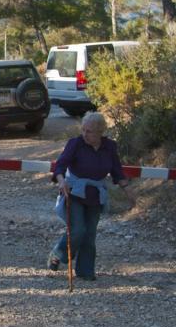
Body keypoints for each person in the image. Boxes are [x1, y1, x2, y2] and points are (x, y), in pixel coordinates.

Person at [47, 112, 135, 281]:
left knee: (90, 234)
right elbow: (61, 165)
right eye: (83, 130)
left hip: (95, 195)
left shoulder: (109, 147)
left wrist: (127, 189)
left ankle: (85, 270)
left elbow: (116, 170)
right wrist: (61, 181)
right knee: (78, 229)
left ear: (100, 132)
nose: (85, 134)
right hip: (74, 192)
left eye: (89, 131)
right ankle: (57, 254)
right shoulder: (75, 144)